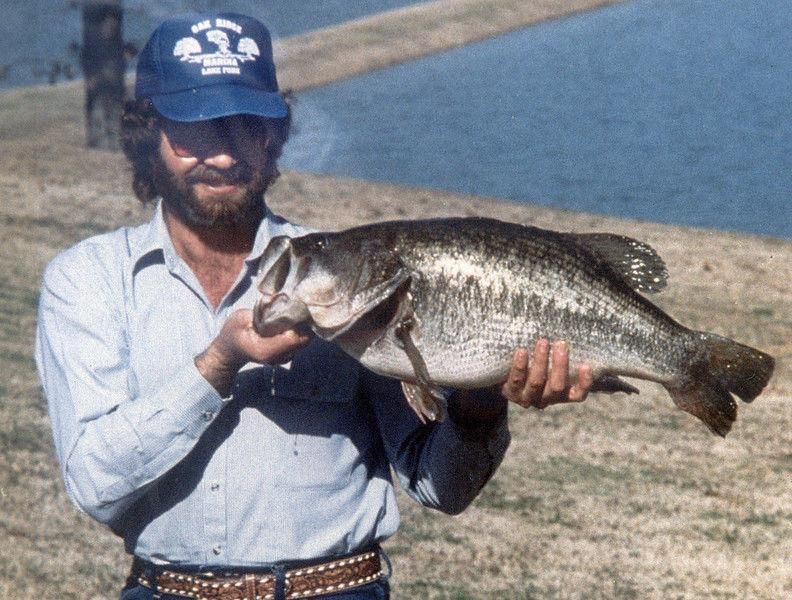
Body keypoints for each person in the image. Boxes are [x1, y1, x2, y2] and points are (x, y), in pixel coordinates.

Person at [35, 12, 593, 600]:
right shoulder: (88, 279)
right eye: (194, 128)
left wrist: (480, 402)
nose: (223, 155)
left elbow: (442, 488)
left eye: (244, 127)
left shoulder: (350, 274)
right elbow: (96, 483)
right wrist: (218, 364)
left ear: (272, 137)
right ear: (148, 135)